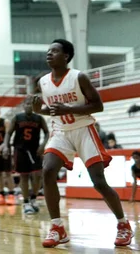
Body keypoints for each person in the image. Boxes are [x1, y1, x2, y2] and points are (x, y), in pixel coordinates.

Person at [32, 39, 133, 248]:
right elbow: (51, 110)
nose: (49, 54)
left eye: (55, 51)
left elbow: (98, 106)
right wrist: (38, 110)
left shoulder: (79, 77)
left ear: (66, 56)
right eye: (48, 51)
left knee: (98, 182)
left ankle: (123, 224)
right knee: (48, 171)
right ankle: (57, 227)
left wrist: (68, 108)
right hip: (60, 132)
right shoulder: (43, 82)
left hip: (84, 130)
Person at [3, 97, 49, 215]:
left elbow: (47, 132)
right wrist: (6, 146)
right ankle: (26, 202)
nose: (29, 106)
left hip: (35, 150)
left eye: (30, 104)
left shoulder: (39, 118)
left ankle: (33, 198)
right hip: (20, 150)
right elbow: (8, 133)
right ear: (23, 105)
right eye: (27, 104)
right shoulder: (17, 118)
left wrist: (43, 144)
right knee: (24, 176)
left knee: (38, 175)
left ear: (33, 106)